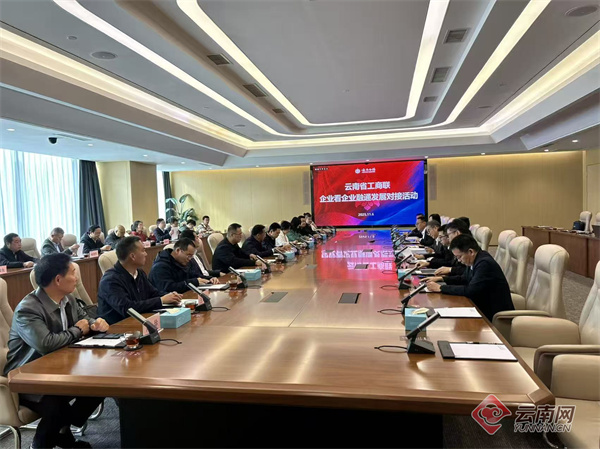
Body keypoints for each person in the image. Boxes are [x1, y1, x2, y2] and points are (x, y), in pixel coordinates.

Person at [3, 253, 109, 448]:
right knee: (55, 407)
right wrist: (78, 330)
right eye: (73, 273)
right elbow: (46, 343)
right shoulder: (28, 309)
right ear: (58, 280)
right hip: (28, 377)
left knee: (101, 385)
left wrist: (95, 324)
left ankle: (62, 434)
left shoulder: (68, 298)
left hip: (61, 370)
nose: (76, 278)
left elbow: (85, 319)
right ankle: (41, 443)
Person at [424, 234, 514, 321]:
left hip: (492, 314)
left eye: (459, 257)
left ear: (471, 252)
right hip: (480, 306)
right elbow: (464, 278)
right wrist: (442, 279)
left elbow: (470, 291)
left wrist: (441, 288)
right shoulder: (475, 259)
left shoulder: (484, 263)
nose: (459, 260)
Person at [97, 237, 182, 324]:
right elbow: (127, 309)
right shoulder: (110, 280)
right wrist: (161, 300)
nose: (146, 254)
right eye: (143, 251)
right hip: (119, 326)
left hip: (140, 320)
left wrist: (170, 296)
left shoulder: (139, 273)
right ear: (132, 256)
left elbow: (152, 293)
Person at [149, 238, 220, 294]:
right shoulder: (160, 267)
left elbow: (195, 276)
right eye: (188, 255)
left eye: (191, 256)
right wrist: (194, 282)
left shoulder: (184, 261)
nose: (190, 259)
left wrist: (210, 279)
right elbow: (168, 288)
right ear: (178, 250)